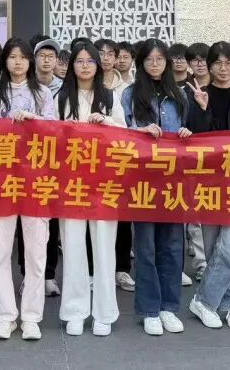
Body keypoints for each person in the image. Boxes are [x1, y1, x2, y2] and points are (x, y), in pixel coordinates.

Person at [0, 38, 56, 341]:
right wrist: (6, 124)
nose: (18, 62)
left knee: (36, 252)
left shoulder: (43, 93)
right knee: (0, 250)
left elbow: (55, 132)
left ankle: (31, 316)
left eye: (23, 57)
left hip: (36, 180)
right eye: (12, 57)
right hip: (3, 180)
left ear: (30, 62)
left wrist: (34, 120)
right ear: (4, 61)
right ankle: (5, 316)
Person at [122, 39, 199, 336]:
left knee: (173, 246)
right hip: (142, 180)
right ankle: (149, 309)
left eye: (160, 59)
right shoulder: (130, 94)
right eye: (149, 59)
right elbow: (120, 133)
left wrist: (186, 133)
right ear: (141, 63)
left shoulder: (179, 94)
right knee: (145, 247)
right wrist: (139, 131)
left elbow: (189, 131)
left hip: (173, 179)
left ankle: (169, 307)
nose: (155, 64)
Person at [188, 41, 230, 332]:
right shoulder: (197, 96)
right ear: (209, 66)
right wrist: (203, 110)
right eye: (217, 63)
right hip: (209, 182)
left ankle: (204, 301)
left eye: (229, 63)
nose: (223, 68)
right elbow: (193, 138)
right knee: (214, 247)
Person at [57, 43, 124, 337]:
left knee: (104, 247)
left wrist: (106, 121)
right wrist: (64, 129)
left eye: (90, 61)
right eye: (79, 61)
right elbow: (47, 136)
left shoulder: (109, 96)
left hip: (104, 182)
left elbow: (125, 133)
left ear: (98, 65)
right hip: (71, 181)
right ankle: (75, 311)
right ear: (71, 65)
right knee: (72, 246)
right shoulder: (61, 97)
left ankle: (104, 313)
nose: (84, 66)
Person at [27, 35, 63, 295]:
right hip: (25, 162)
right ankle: (27, 275)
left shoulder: (65, 88)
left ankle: (49, 275)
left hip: (55, 162)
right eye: (42, 55)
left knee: (50, 220)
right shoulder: (24, 85)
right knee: (26, 221)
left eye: (51, 56)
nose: (47, 60)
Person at [96, 37, 133, 291]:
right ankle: (94, 271)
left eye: (111, 53)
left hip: (120, 159)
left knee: (121, 217)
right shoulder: (85, 83)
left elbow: (126, 124)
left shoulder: (128, 88)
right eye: (101, 53)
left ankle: (122, 269)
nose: (106, 58)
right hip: (90, 161)